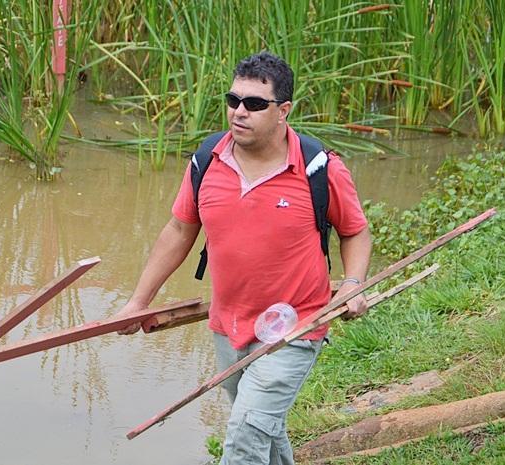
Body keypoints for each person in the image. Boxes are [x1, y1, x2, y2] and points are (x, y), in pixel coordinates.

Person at [117, 51, 372, 465]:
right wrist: (138, 302)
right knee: (259, 429)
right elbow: (179, 230)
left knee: (243, 435)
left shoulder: (317, 168)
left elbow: (355, 231)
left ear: (283, 111)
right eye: (233, 100)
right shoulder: (206, 161)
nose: (239, 112)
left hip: (294, 326)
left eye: (254, 104)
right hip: (228, 326)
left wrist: (353, 283)